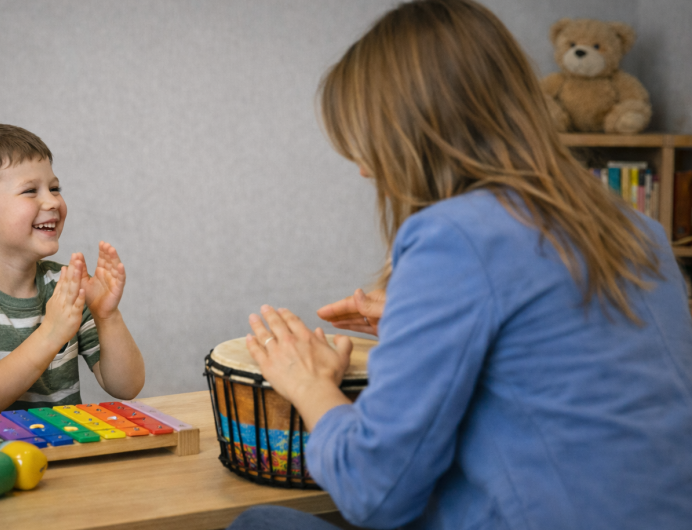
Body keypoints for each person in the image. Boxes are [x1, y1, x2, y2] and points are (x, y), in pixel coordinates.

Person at [230, 1, 692, 529]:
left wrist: (310, 384)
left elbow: (376, 495)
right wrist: (424, 324)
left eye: (367, 142)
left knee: (259, 524)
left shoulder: (452, 235)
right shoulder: (638, 228)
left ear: (415, 133)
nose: (362, 169)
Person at [0, 124, 144, 418]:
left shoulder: (64, 286)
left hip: (54, 453)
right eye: (30, 191)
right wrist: (52, 331)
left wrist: (107, 316)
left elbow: (126, 386)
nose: (52, 201)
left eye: (54, 188)